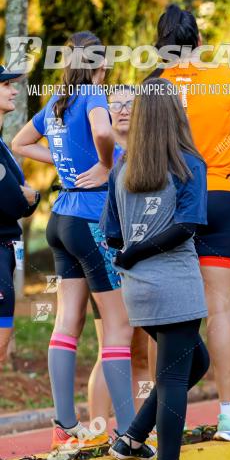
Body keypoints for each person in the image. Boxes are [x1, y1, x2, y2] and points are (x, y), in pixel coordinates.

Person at [12, 31, 135, 450]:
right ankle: (131, 433)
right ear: (101, 67)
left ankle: (64, 425)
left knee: (68, 323)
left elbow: (20, 143)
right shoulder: (93, 96)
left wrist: (64, 164)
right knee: (119, 325)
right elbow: (103, 133)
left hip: (61, 217)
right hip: (90, 218)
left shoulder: (58, 102)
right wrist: (103, 165)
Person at [154, 4, 230, 441]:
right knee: (220, 309)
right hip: (222, 197)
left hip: (171, 204)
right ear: (199, 42)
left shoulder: (155, 87)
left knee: (167, 316)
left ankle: (156, 422)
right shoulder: (225, 77)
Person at [101, 79, 210, 460]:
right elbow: (188, 226)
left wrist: (132, 253)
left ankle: (131, 437)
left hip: (139, 292)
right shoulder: (188, 164)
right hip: (177, 288)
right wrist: (143, 249)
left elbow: (111, 234)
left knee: (192, 363)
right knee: (174, 381)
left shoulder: (123, 168)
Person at [87, 86, 154, 433]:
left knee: (142, 354)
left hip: (144, 262)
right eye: (116, 103)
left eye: (131, 103)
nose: (124, 109)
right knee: (110, 346)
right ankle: (98, 430)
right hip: (108, 259)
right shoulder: (100, 153)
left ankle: (142, 430)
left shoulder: (149, 154)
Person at [0, 66, 40, 365]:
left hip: (6, 255)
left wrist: (29, 196)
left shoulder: (2, 143)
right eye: (6, 85)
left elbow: (26, 200)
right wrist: (25, 195)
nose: (13, 90)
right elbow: (16, 202)